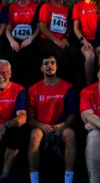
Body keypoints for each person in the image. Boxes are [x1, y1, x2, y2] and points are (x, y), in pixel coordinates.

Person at [26, 54, 79, 183]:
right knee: (35, 134)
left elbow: (73, 114)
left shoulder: (68, 87)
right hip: (42, 130)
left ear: (57, 66)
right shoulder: (33, 89)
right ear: (41, 68)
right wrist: (41, 125)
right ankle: (34, 180)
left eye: (52, 63)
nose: (49, 66)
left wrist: (64, 125)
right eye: (46, 63)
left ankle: (68, 180)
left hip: (60, 130)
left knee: (70, 134)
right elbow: (29, 119)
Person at [0, 0, 41, 88]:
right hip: (14, 38)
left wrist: (30, 39)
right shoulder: (12, 7)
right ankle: (14, 86)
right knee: (11, 59)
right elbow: (8, 28)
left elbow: (39, 27)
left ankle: (25, 87)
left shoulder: (36, 6)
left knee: (25, 59)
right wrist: (12, 41)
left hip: (30, 39)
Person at [37, 0, 83, 87]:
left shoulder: (67, 9)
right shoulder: (46, 7)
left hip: (63, 39)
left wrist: (66, 38)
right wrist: (56, 40)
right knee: (61, 56)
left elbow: (70, 28)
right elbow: (42, 28)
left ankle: (74, 84)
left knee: (76, 54)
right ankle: (63, 85)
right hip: (47, 39)